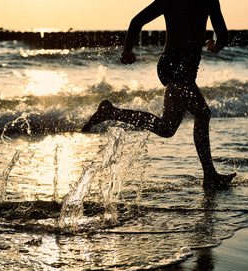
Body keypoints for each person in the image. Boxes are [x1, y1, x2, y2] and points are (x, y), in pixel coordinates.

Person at [81, 0, 236, 190]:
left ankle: (111, 112)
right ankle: (209, 176)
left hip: (169, 63)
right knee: (193, 117)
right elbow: (223, 36)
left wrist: (128, 49)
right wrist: (215, 46)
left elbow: (136, 21)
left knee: (173, 125)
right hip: (182, 65)